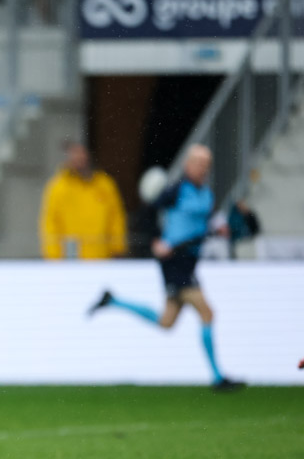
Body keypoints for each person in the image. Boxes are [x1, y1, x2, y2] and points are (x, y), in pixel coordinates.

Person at [89, 144, 245, 393]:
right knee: (207, 313)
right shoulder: (176, 191)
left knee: (166, 322)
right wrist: (156, 241)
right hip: (174, 262)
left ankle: (113, 301)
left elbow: (204, 222)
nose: (204, 169)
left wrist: (220, 228)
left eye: (207, 165)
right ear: (189, 165)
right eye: (200, 163)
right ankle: (218, 378)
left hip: (189, 261)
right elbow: (146, 214)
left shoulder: (205, 194)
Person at [40, 141, 127, 260]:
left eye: (82, 154)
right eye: (75, 155)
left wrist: (117, 247)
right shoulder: (59, 187)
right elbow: (51, 221)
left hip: (101, 256)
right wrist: (53, 254)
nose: (79, 159)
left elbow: (116, 217)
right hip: (71, 257)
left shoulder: (105, 185)